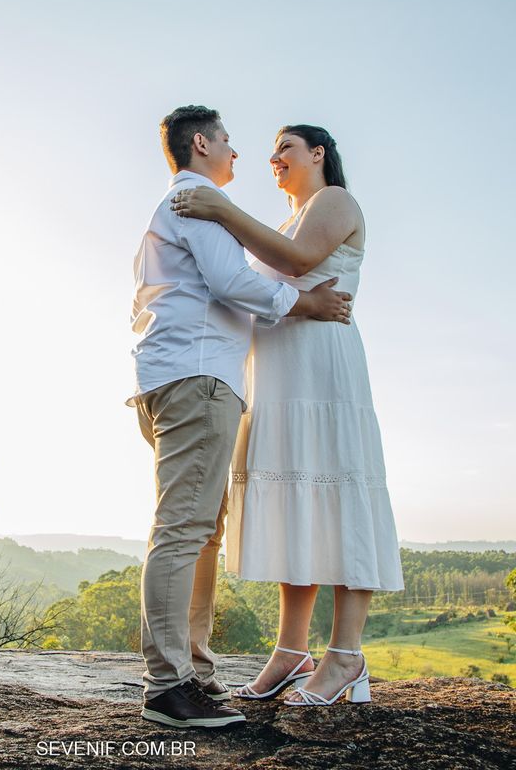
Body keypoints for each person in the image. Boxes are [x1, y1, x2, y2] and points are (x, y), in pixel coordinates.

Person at [129, 107, 353, 728]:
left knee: (198, 531)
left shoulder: (191, 202)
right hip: (197, 381)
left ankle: (193, 672)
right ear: (200, 143)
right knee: (184, 530)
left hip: (187, 378)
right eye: (227, 140)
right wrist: (305, 302)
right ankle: (169, 686)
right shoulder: (195, 197)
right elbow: (231, 282)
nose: (238, 152)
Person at [170, 124, 404, 707]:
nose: (273, 158)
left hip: (324, 375)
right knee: (297, 505)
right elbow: (253, 290)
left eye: (286, 148)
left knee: (342, 498)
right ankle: (292, 650)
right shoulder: (277, 224)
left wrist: (221, 208)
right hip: (278, 378)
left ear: (318, 154)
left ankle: (346, 655)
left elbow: (301, 260)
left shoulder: (335, 201)